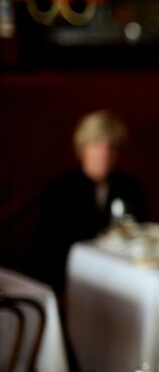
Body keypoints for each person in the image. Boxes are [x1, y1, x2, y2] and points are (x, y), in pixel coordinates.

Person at [32, 109, 147, 299]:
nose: (104, 152)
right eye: (96, 144)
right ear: (81, 148)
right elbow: (47, 252)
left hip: (121, 279)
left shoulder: (129, 186)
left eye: (111, 146)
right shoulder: (60, 190)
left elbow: (140, 231)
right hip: (74, 283)